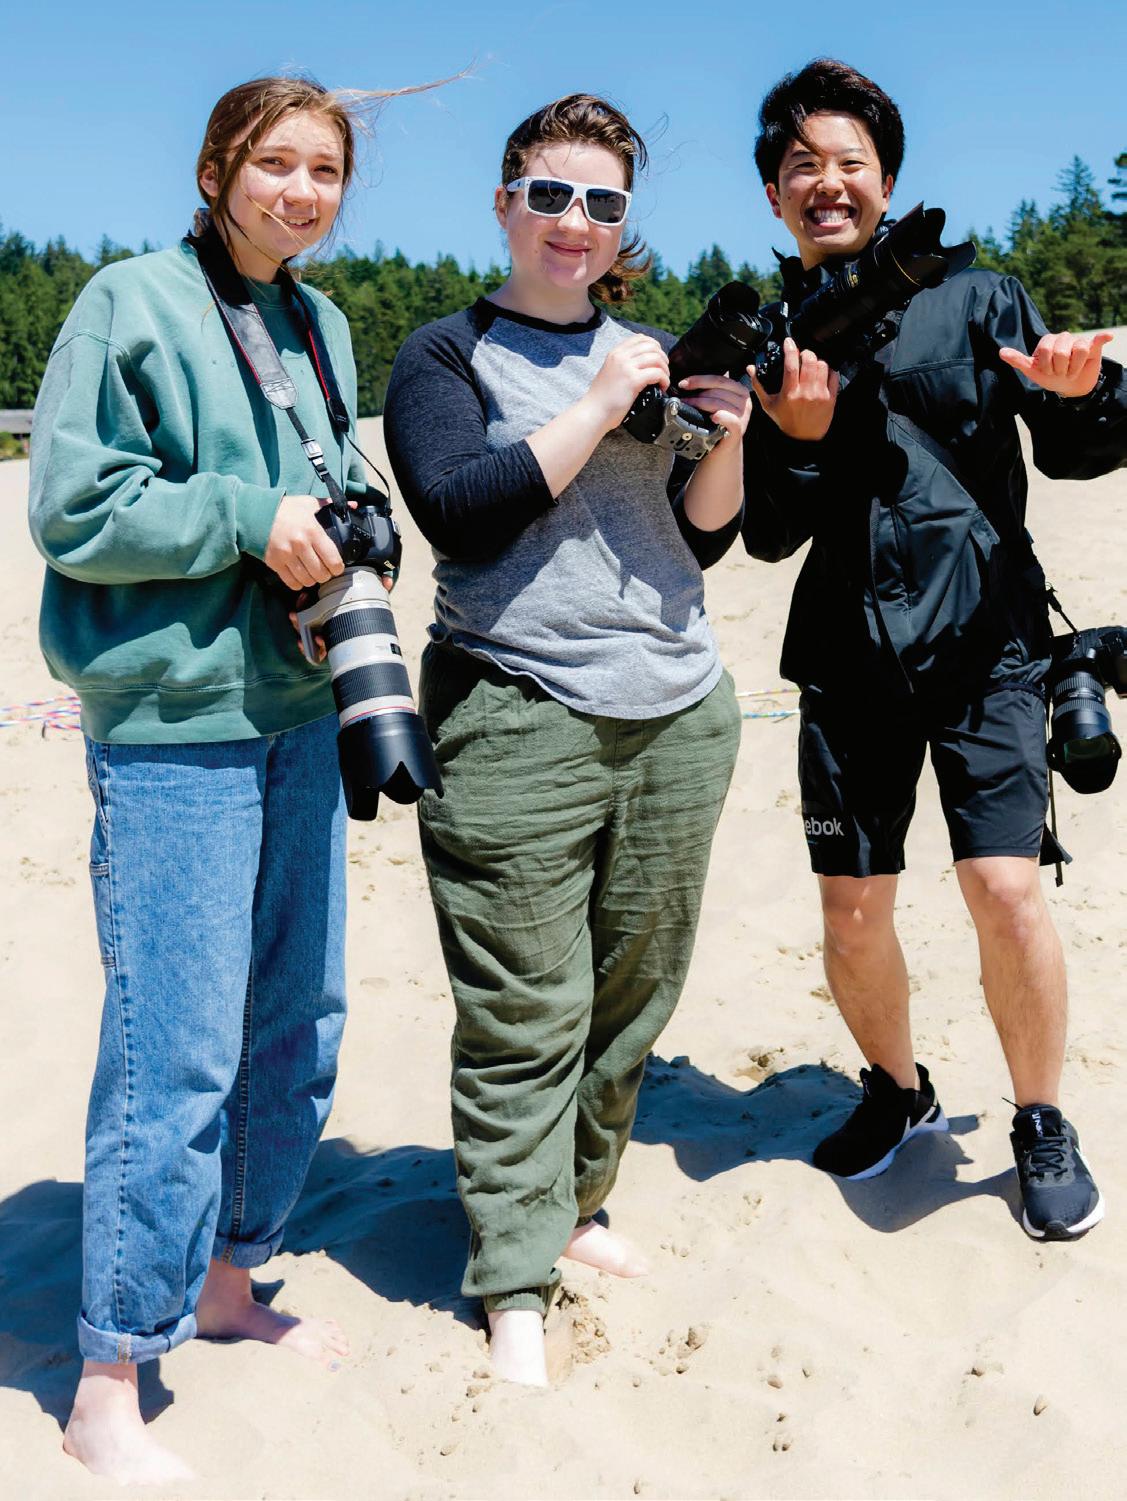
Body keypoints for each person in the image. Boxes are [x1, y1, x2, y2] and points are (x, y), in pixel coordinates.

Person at [28, 76, 385, 1484]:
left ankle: (230, 1279)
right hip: (174, 724)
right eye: (274, 163)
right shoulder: (128, 301)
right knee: (170, 1048)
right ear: (215, 169)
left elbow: (323, 479)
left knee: (295, 1024)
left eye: (324, 170)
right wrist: (250, 517)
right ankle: (109, 1374)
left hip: (301, 707)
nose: (300, 191)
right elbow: (73, 506)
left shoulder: (321, 322)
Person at [384, 93, 749, 1385]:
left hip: (676, 711)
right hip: (512, 711)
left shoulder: (645, 350)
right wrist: (596, 403)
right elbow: (456, 513)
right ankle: (512, 1275)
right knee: (523, 1009)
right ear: (505, 205)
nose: (573, 221)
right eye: (549, 194)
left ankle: (576, 1204)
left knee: (629, 999)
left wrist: (731, 438)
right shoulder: (445, 355)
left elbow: (699, 534)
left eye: (601, 201)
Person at [742, 58, 1127, 1238]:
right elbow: (766, 530)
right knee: (852, 910)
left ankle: (1039, 1117)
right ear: (772, 194)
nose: (825, 182)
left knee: (1004, 891)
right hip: (845, 658)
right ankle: (896, 1090)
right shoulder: (770, 338)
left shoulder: (978, 296)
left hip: (985, 645)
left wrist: (1081, 391)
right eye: (800, 165)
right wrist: (795, 433)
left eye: (847, 162)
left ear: (885, 180)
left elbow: (1072, 448)